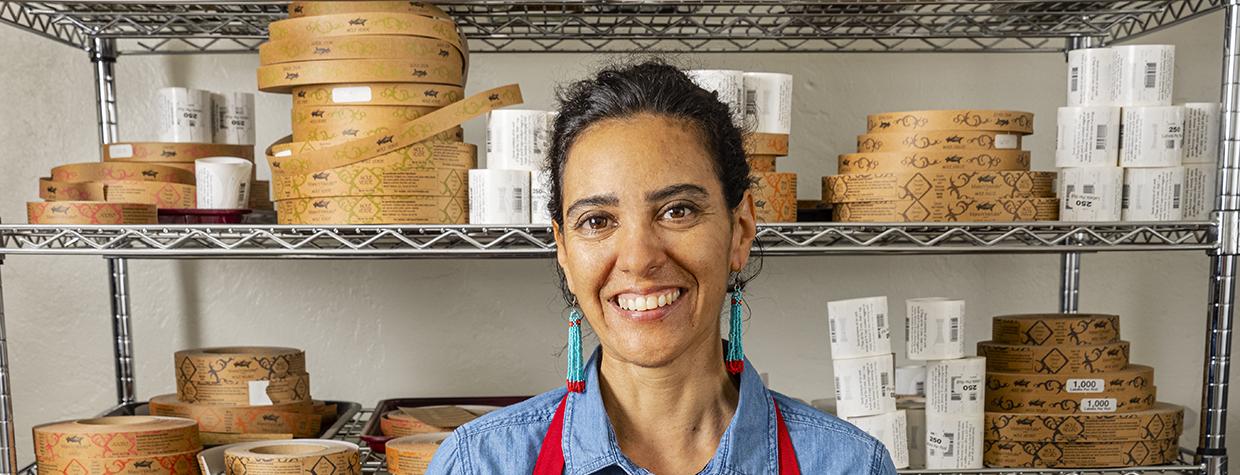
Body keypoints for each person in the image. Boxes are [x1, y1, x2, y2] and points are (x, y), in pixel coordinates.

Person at [426, 60, 897, 475]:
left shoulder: (849, 464)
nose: (638, 258)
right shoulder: (479, 463)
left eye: (677, 211)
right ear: (564, 253)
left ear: (740, 230)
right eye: (597, 220)